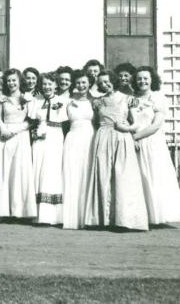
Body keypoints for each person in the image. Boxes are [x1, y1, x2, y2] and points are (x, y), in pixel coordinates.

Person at [85, 70, 148, 231]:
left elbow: (137, 123)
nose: (104, 85)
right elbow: (92, 123)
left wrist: (126, 128)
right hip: (103, 138)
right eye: (101, 83)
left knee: (123, 176)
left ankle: (124, 219)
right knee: (103, 175)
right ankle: (104, 219)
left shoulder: (128, 99)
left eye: (107, 81)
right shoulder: (97, 102)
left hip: (122, 138)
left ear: (113, 80)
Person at [130, 66, 180, 225]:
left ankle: (157, 216)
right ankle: (141, 216)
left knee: (153, 176)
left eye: (145, 78)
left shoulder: (158, 98)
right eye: (139, 78)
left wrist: (136, 137)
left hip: (152, 143)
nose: (142, 81)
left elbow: (156, 125)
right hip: (135, 144)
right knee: (138, 178)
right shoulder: (131, 98)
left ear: (152, 80)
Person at [0, 69, 37, 220]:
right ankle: (4, 211)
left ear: (19, 81)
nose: (11, 83)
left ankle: (20, 211)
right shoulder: (2, 99)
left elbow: (31, 121)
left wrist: (14, 130)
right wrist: (3, 129)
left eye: (14, 80)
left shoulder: (27, 98)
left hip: (21, 137)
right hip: (5, 137)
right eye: (9, 80)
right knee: (6, 171)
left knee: (20, 171)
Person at [31, 72, 67, 225]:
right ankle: (36, 214)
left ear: (55, 85)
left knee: (52, 171)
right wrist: (36, 132)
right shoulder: (35, 101)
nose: (47, 86)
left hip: (55, 138)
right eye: (44, 84)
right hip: (39, 139)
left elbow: (66, 124)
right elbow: (31, 122)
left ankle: (52, 216)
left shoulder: (63, 101)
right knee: (38, 169)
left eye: (50, 84)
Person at [62, 70, 95, 230]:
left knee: (87, 175)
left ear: (89, 83)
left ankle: (88, 217)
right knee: (73, 175)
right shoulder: (67, 101)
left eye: (84, 82)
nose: (81, 85)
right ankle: (72, 218)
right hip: (73, 139)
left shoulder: (95, 101)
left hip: (89, 138)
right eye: (78, 82)